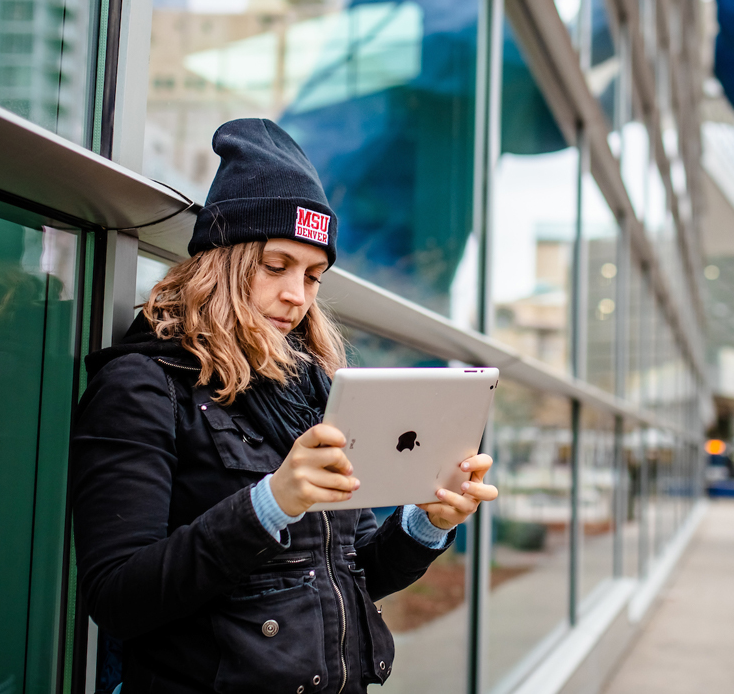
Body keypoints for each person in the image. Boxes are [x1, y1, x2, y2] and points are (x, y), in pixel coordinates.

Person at [70, 118, 497, 694]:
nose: (297, 295)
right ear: (222, 261)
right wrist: (270, 504)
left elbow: (353, 574)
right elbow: (118, 597)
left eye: (314, 276)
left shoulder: (313, 394)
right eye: (276, 266)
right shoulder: (141, 386)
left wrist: (428, 521)